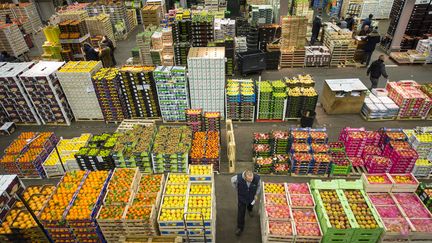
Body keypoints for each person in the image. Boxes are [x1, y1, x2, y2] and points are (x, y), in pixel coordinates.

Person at [231, 170, 261, 236]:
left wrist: (256, 194)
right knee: (241, 212)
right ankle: (240, 227)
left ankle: (250, 210)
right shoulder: (238, 178)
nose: (251, 181)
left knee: (251, 204)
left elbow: (259, 186)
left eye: (252, 179)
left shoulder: (257, 178)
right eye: (249, 180)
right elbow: (232, 181)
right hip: (242, 197)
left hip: (251, 196)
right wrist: (237, 189)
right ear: (245, 177)